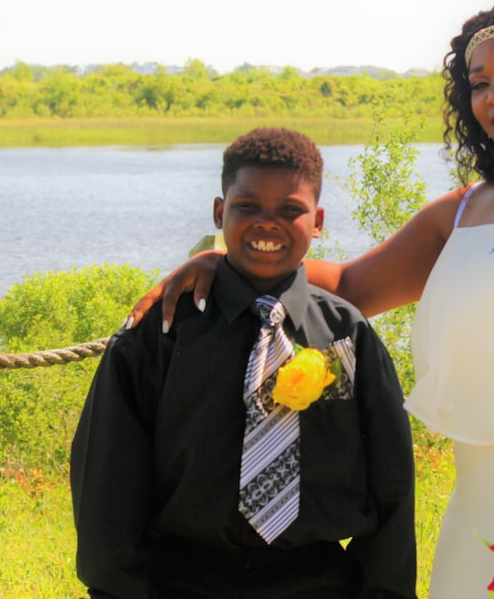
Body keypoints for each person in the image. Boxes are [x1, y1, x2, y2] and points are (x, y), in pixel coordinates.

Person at [128, 0, 494, 599]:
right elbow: (353, 286)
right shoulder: (464, 210)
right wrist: (229, 259)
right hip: (489, 507)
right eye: (480, 81)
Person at [71, 127, 417, 598]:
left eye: (290, 210)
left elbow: (392, 483)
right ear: (220, 212)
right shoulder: (163, 332)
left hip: (315, 581)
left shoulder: (345, 334)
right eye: (247, 206)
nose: (267, 223)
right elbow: (106, 486)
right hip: (183, 580)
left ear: (317, 221)